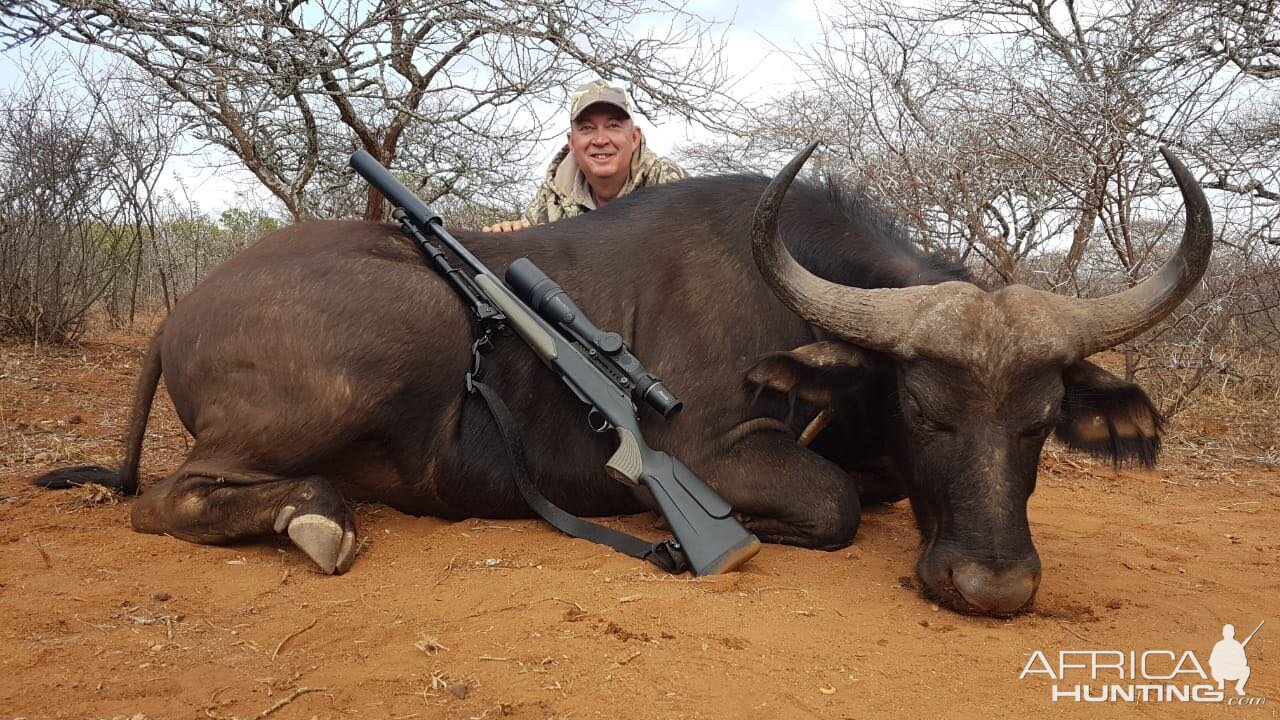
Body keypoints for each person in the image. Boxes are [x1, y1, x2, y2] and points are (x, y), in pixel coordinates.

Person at [483, 80, 686, 232]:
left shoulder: (669, 185)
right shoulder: (554, 193)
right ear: (571, 142)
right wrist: (509, 233)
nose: (600, 140)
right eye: (587, 128)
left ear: (634, 137)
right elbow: (529, 236)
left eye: (613, 126)